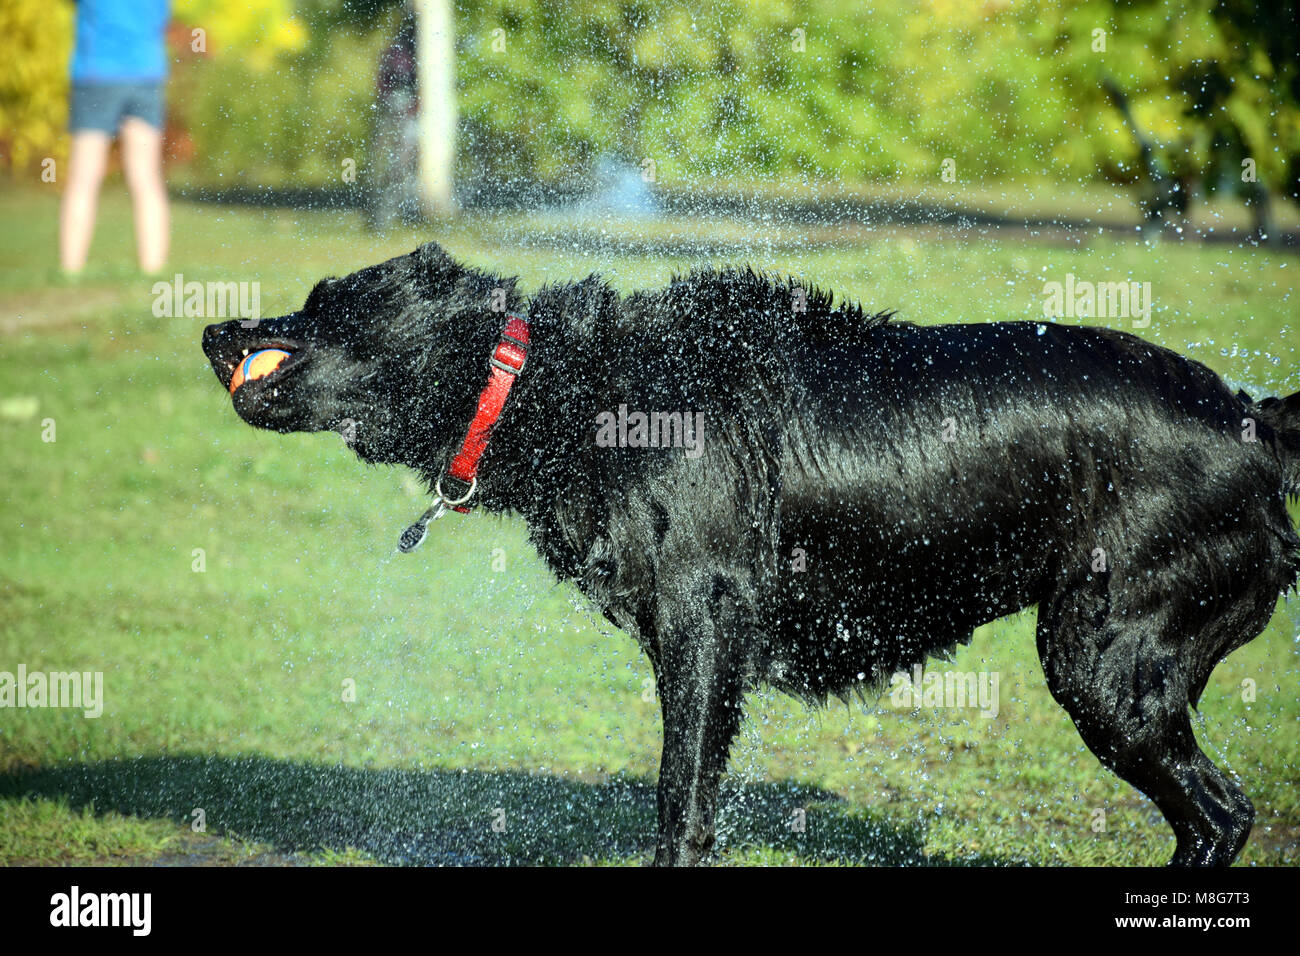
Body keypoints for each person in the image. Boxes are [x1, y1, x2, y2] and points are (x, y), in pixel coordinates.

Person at [60, 0, 172, 276]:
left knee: (83, 176)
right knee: (146, 175)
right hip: (145, 72)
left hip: (97, 74)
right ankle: (153, 270)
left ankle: (71, 270)